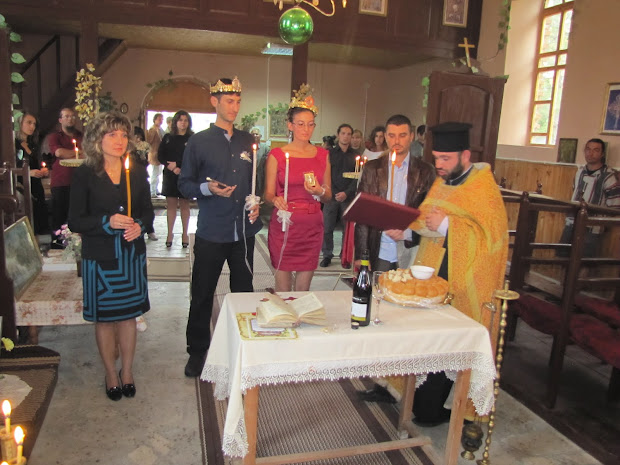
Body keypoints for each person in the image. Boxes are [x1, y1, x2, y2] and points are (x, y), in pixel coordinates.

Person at [407, 121, 509, 425]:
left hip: (466, 281)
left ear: (465, 155)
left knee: (453, 343)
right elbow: (425, 217)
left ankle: (438, 407)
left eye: (445, 158)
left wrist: (448, 225)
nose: (438, 165)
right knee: (429, 339)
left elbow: (492, 240)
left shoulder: (483, 188)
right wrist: (407, 228)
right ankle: (423, 403)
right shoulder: (443, 181)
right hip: (434, 274)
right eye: (436, 158)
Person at [178, 77, 261, 377]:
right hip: (212, 230)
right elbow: (184, 184)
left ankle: (242, 346)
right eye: (229, 101)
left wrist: (256, 203)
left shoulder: (248, 141)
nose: (234, 107)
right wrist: (208, 188)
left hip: (243, 232)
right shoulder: (198, 142)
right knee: (202, 293)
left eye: (238, 101)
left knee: (244, 293)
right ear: (215, 102)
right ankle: (197, 351)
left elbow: (256, 182)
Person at [68, 112, 154, 401]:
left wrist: (140, 225)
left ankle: (127, 371)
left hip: (130, 256)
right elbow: (75, 221)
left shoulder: (137, 171)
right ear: (97, 139)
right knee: (104, 320)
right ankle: (110, 373)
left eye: (123, 135)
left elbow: (148, 211)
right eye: (112, 134)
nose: (120, 140)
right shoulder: (85, 174)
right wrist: (107, 222)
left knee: (128, 317)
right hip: (100, 258)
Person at [265, 85, 331, 291]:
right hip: (285, 224)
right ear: (290, 125)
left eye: (310, 125)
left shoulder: (322, 155)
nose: (306, 129)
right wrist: (274, 199)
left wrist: (319, 191)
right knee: (283, 289)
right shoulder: (277, 155)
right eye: (300, 124)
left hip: (311, 225)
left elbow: (328, 195)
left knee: (303, 291)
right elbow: (267, 193)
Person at [354, 115, 436, 272]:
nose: (396, 141)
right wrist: (361, 254)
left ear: (411, 136)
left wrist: (409, 233)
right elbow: (362, 214)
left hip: (411, 249)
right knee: (378, 286)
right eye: (392, 135)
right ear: (385, 136)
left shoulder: (425, 171)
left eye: (402, 135)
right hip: (379, 248)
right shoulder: (372, 169)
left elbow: (429, 213)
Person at [558, 138, 620, 257]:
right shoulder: (579, 172)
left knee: (584, 259)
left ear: (602, 154)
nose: (590, 153)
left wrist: (602, 222)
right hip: (572, 222)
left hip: (593, 226)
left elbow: (615, 205)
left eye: (596, 150)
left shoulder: (608, 176)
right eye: (588, 149)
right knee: (563, 255)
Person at [320, 123, 356, 267]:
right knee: (327, 227)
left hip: (348, 196)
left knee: (347, 229)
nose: (346, 136)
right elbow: (325, 174)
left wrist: (346, 193)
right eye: (343, 133)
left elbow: (357, 177)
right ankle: (327, 255)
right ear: (338, 135)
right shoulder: (329, 154)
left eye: (349, 134)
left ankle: (344, 256)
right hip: (331, 195)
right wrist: (333, 192)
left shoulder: (356, 155)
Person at [47, 107, 83, 247]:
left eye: (72, 116)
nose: (70, 119)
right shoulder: (55, 136)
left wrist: (72, 153)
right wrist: (78, 153)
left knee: (76, 215)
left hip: (79, 182)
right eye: (67, 116)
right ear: (60, 120)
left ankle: (76, 245)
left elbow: (89, 152)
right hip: (61, 182)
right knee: (59, 216)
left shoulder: (80, 136)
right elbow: (59, 153)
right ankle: (57, 245)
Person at [158, 110, 193, 248]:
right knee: (171, 205)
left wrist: (179, 166)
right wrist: (171, 167)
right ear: (175, 122)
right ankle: (169, 234)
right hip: (170, 175)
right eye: (180, 120)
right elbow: (160, 155)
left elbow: (193, 156)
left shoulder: (192, 138)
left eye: (185, 120)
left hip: (185, 174)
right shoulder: (168, 137)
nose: (183, 123)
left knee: (185, 205)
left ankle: (185, 234)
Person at [14, 111, 49, 235]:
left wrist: (42, 171)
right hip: (22, 185)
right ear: (20, 123)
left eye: (34, 124)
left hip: (36, 185)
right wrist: (28, 173)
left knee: (39, 218)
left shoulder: (32, 144)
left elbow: (35, 164)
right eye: (29, 123)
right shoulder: (13, 144)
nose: (32, 127)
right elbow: (14, 166)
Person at [132, 126, 157, 241]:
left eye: (139, 137)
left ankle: (150, 230)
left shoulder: (144, 146)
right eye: (135, 136)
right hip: (130, 177)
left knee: (146, 205)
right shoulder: (127, 146)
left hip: (141, 176)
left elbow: (148, 160)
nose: (137, 139)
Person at [146, 113, 164, 198]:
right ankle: (152, 191)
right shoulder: (152, 130)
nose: (161, 121)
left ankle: (156, 189)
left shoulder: (160, 129)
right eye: (159, 119)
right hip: (154, 153)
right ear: (155, 120)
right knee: (154, 173)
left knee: (158, 173)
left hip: (159, 154)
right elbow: (149, 141)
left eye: (162, 119)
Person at [250, 126, 271, 197]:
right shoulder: (246, 147)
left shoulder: (265, 148)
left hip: (261, 176)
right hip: (249, 176)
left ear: (260, 136)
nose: (255, 136)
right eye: (253, 134)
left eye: (256, 134)